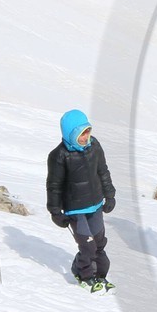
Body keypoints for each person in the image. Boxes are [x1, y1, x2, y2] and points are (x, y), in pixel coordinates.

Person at [46, 109, 117, 292]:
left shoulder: (95, 146)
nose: (85, 137)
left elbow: (103, 172)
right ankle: (84, 275)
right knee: (88, 246)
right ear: (70, 134)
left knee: (99, 244)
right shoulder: (59, 155)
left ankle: (100, 276)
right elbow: (54, 186)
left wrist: (110, 195)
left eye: (87, 132)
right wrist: (55, 212)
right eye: (81, 133)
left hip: (95, 205)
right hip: (74, 210)